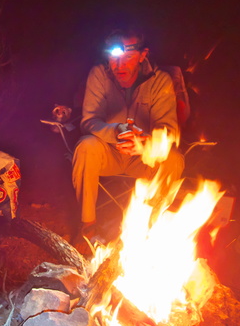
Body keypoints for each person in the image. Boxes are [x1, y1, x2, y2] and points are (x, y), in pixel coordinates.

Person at [72, 28, 185, 245]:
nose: (119, 64)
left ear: (143, 55)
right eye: (114, 56)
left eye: (128, 56)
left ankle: (150, 231)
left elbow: (168, 130)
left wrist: (145, 145)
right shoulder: (99, 75)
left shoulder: (160, 81)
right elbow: (89, 121)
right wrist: (116, 132)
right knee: (85, 146)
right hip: (108, 153)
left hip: (142, 158)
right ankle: (87, 227)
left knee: (174, 159)